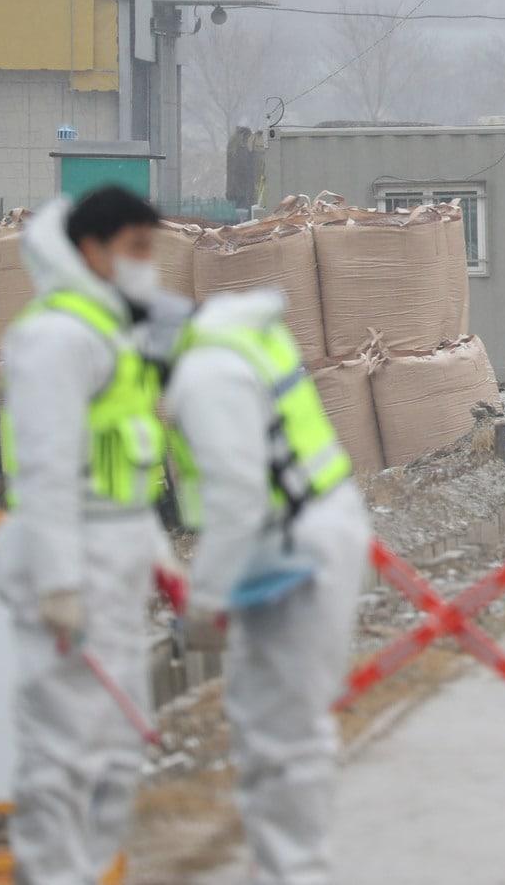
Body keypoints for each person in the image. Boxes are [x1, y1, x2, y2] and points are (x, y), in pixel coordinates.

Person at [0, 187, 183, 885]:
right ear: (89, 249)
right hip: (68, 569)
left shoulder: (110, 332)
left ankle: (91, 872)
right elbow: (44, 470)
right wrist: (59, 581)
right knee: (63, 752)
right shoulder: (56, 336)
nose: (144, 264)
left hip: (113, 561)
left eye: (148, 249)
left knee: (115, 746)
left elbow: (122, 478)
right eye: (134, 249)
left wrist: (160, 562)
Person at [164, 288, 371, 884]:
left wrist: (203, 600)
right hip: (295, 540)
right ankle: (279, 867)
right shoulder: (234, 346)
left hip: (294, 548)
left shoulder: (205, 375)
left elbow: (236, 497)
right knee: (268, 723)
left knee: (286, 730)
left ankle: (294, 871)